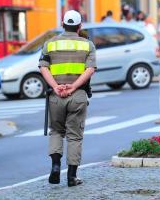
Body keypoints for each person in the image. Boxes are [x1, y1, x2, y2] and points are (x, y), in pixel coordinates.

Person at [39, 10, 96, 187]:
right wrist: (74, 86)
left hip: (56, 96)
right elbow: (90, 69)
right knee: (74, 136)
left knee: (56, 131)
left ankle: (55, 167)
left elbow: (43, 67)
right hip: (77, 95)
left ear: (62, 24)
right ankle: (72, 177)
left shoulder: (50, 44)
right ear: (80, 26)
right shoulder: (88, 45)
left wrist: (56, 87)